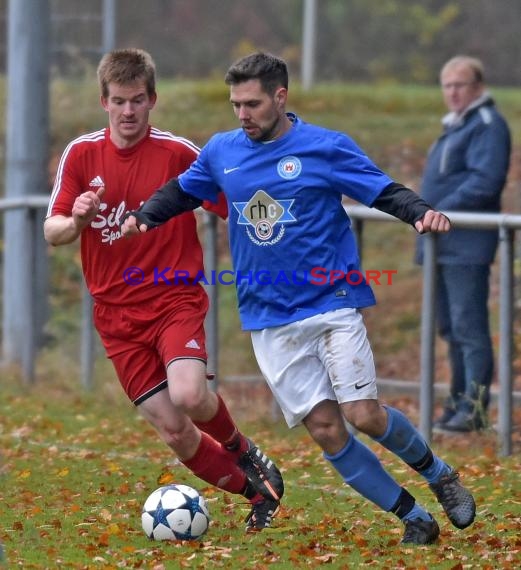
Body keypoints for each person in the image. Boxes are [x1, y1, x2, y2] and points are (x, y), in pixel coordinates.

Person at [121, 52, 476, 545]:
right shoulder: (223, 151)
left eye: (251, 103)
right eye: (234, 105)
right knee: (328, 430)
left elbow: (380, 190)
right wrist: (145, 215)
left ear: (280, 97)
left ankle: (440, 475)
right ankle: (412, 516)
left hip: (330, 303)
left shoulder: (325, 147)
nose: (241, 114)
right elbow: (183, 191)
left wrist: (419, 212)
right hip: (268, 320)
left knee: (363, 414)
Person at [43, 48, 284, 533]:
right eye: (118, 101)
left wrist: (279, 240)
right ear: (103, 102)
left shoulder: (178, 154)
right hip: (115, 316)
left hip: (173, 299)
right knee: (174, 430)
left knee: (191, 396)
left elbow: (235, 206)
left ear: (152, 99)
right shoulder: (81, 153)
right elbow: (53, 231)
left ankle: (245, 451)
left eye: (137, 100)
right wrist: (80, 220)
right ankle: (257, 493)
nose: (128, 111)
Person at [417, 56, 511, 433]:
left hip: (466, 245)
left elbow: (485, 182)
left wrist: (435, 210)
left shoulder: (486, 125)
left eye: (460, 85)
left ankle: (474, 409)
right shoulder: (456, 126)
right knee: (451, 329)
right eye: (447, 85)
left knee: (469, 329)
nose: (453, 92)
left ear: (478, 87)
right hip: (443, 244)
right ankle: (457, 405)